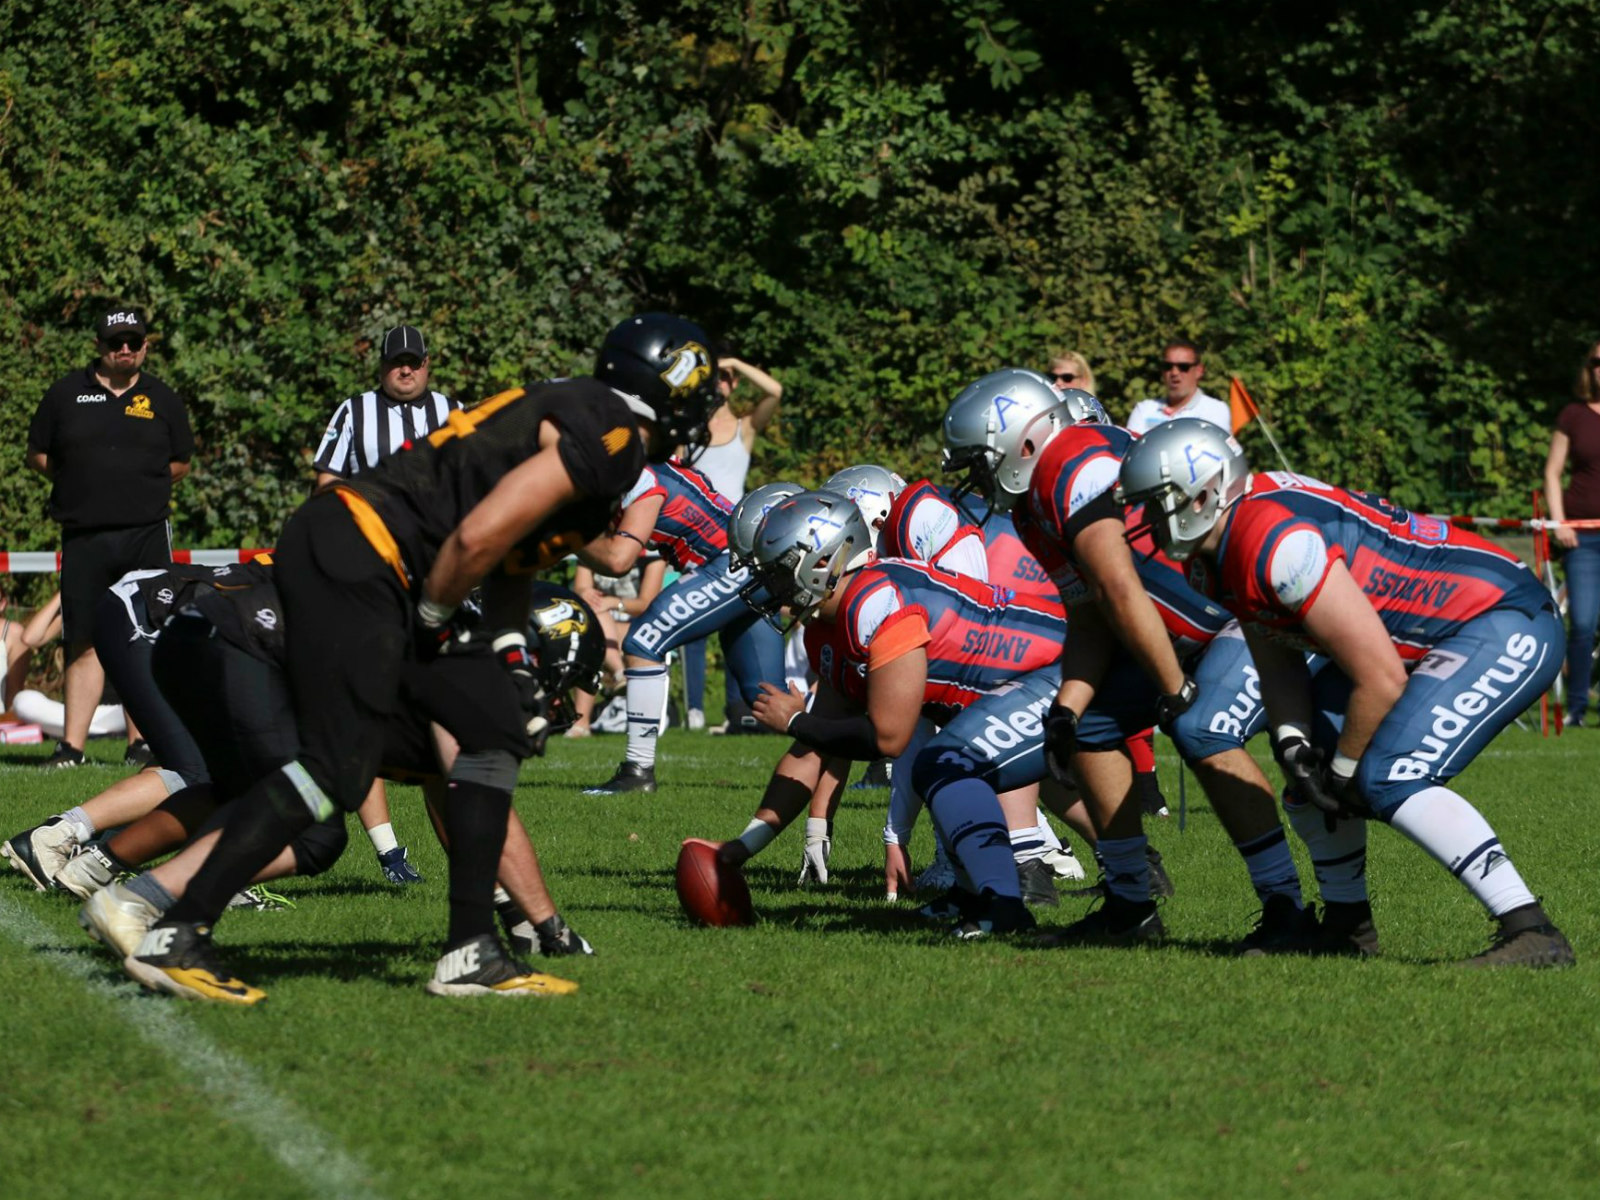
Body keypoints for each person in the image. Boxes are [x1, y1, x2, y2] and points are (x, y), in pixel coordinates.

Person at [122, 312, 715, 1003]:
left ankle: (471, 951)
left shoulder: (593, 422)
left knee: (492, 728)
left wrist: (512, 652)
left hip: (371, 557)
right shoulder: (611, 437)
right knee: (334, 769)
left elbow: (511, 558)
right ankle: (177, 932)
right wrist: (434, 619)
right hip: (364, 553)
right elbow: (477, 537)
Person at [1118, 417, 1575, 967]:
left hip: (1499, 616)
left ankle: (1531, 929)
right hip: (1430, 635)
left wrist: (1344, 767)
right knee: (1305, 777)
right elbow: (1275, 651)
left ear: (1203, 492)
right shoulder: (1220, 548)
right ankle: (1346, 927)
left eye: (1155, 501)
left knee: (1386, 774)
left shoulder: (1271, 538)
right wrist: (1292, 741)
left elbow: (1380, 677)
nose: (1146, 518)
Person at [943, 369, 1316, 953]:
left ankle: (1287, 908)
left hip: (1236, 606)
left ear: (1024, 441)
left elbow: (1121, 589)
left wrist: (1173, 690)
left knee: (1201, 728)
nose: (976, 477)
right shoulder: (1032, 505)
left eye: (980, 460)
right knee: (1090, 730)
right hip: (1178, 623)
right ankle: (1129, 906)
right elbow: (1093, 610)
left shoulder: (1078, 468)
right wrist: (1068, 702)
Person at [721, 490, 1069, 938]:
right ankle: (1114, 892)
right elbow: (814, 747)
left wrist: (794, 719)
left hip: (1061, 671)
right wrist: (741, 849)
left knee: (944, 764)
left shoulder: (873, 600)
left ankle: (1003, 908)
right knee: (948, 759)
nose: (771, 586)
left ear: (821, 562)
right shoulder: (828, 626)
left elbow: (889, 738)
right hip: (1020, 686)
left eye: (778, 572)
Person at [311, 324, 463, 884]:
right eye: (396, 362)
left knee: (435, 712)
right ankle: (390, 853)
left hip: (437, 579)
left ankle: (465, 856)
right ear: (381, 367)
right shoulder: (354, 412)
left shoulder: (453, 410)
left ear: (428, 363)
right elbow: (325, 483)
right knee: (365, 709)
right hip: (371, 578)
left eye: (414, 362)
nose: (406, 370)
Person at [26, 306, 192, 767]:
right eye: (116, 342)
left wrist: (138, 489)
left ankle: (142, 743)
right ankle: (71, 748)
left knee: (145, 635)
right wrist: (81, 482)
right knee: (82, 639)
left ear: (145, 346)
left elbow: (181, 463)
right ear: (99, 345)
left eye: (133, 342)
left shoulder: (163, 398)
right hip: (84, 536)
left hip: (146, 535)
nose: (125, 349)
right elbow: (38, 454)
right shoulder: (64, 395)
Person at [581, 457, 786, 795]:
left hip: (729, 562)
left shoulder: (641, 476)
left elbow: (619, 559)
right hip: (750, 565)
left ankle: (637, 770)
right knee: (768, 701)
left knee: (643, 642)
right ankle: (870, 756)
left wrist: (560, 537)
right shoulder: (651, 467)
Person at [679, 350, 784, 729]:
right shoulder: (688, 434)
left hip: (740, 541)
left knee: (742, 617)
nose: (719, 383)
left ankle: (738, 709)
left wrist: (736, 364)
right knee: (695, 620)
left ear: (733, 383)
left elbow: (774, 391)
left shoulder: (745, 427)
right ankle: (693, 709)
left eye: (725, 378)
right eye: (713, 377)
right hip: (699, 541)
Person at [1542, 338, 1600, 728]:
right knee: (1582, 622)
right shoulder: (1573, 415)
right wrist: (1560, 521)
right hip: (1583, 538)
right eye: (1597, 361)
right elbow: (1552, 472)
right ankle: (1577, 707)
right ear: (1589, 369)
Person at [568, 558, 667, 736]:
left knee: (591, 635)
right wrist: (586, 593)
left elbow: (647, 603)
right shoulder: (594, 548)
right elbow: (579, 589)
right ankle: (620, 672)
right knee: (591, 629)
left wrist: (613, 602)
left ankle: (581, 724)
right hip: (599, 623)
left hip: (637, 626)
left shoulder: (652, 554)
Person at [1125, 337, 1229, 435]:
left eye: (1183, 367)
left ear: (1199, 370)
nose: (1174, 372)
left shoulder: (1215, 410)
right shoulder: (1144, 410)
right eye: (1168, 366)